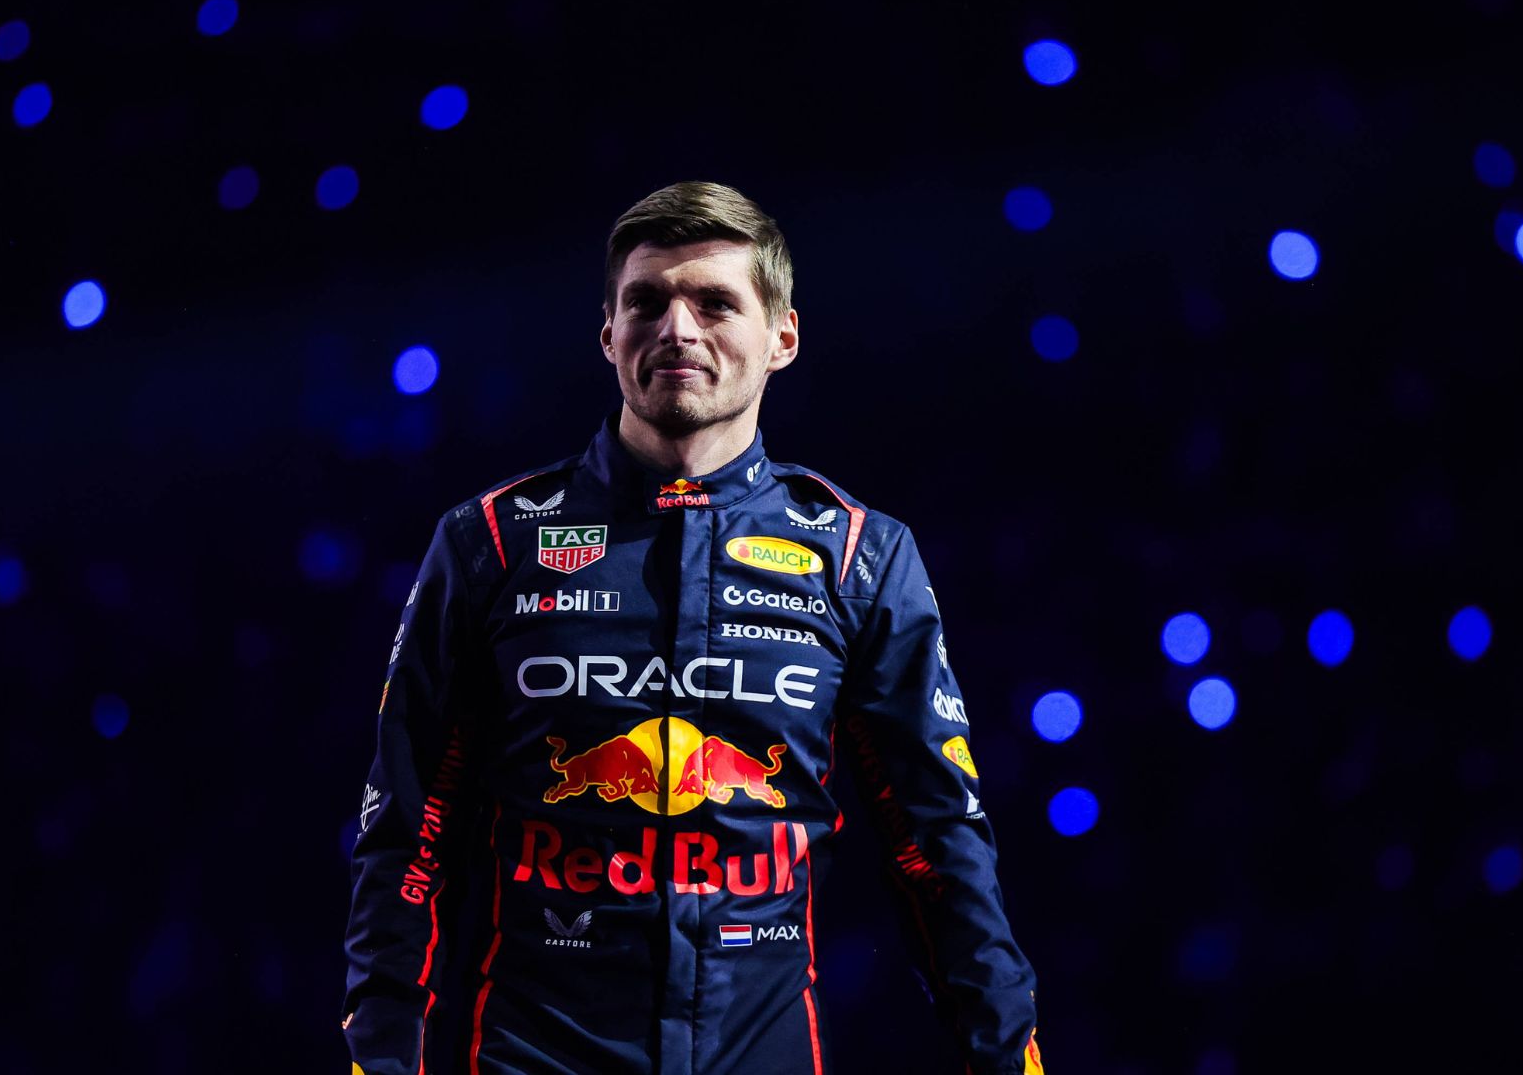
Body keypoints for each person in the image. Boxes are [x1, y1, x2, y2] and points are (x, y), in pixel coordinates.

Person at [342, 181, 1043, 1075]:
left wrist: (1006, 1051)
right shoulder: (488, 543)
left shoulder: (861, 554)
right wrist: (381, 1052)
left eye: (715, 302)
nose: (678, 327)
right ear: (610, 335)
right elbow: (409, 827)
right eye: (647, 301)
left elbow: (938, 838)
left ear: (781, 337)